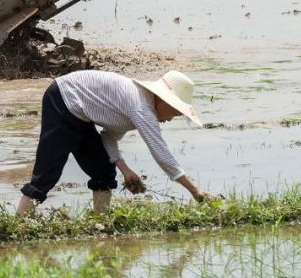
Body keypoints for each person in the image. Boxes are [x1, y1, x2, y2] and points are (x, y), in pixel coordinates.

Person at [16, 69, 215, 215]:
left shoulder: (137, 107)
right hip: (64, 98)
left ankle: (100, 222)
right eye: (175, 112)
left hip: (80, 112)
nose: (171, 118)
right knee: (47, 172)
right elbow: (161, 154)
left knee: (103, 170)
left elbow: (109, 137)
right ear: (163, 101)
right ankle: (18, 225)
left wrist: (125, 169)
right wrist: (195, 191)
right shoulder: (141, 108)